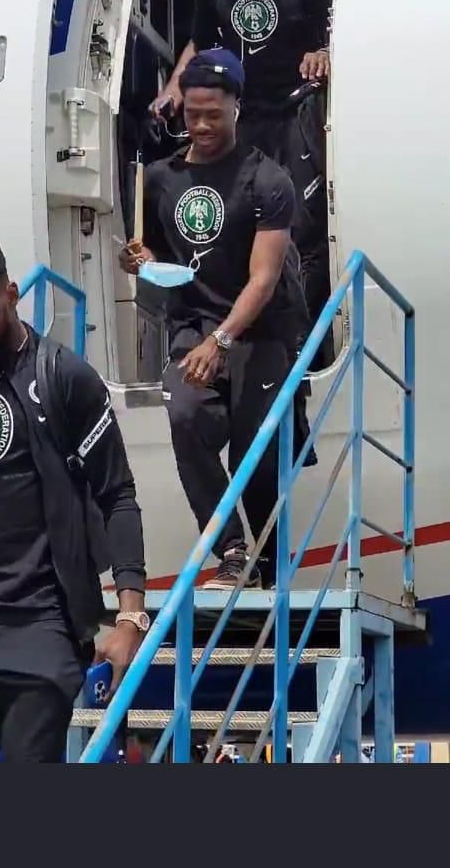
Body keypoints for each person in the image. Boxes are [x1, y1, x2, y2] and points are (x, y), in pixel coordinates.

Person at [0, 226, 149, 762]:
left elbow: (117, 495)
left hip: (35, 629)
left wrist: (131, 613)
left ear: (11, 292)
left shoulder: (64, 377)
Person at [120, 48, 302, 591]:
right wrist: (139, 262)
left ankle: (267, 574)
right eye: (192, 113)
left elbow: (264, 279)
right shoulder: (156, 179)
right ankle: (230, 550)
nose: (200, 125)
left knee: (258, 459)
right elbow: (149, 258)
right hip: (192, 326)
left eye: (212, 115)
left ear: (236, 108)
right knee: (185, 417)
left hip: (257, 332)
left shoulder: (267, 181)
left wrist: (223, 339)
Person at [151, 0, 334, 368]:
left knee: (305, 225)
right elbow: (198, 42)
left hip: (294, 105)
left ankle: (307, 344)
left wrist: (323, 50)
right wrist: (174, 90)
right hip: (247, 111)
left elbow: (338, 28)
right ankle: (253, 335)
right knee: (249, 223)